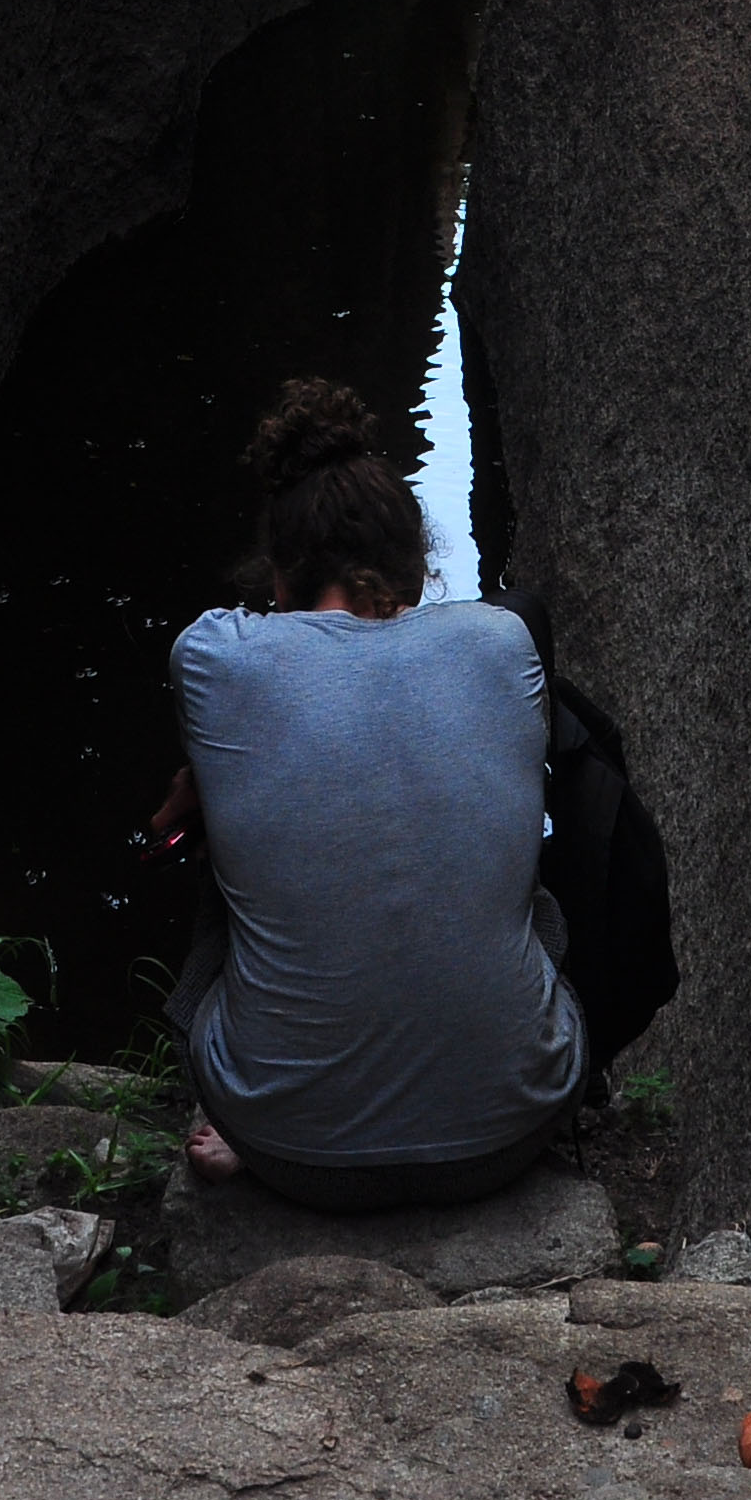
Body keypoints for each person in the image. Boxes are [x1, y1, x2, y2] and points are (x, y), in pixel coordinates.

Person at [146, 379, 584, 1211]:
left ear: (280, 576)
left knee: (229, 844)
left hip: (290, 1151)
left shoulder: (211, 659)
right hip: (506, 1137)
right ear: (418, 565)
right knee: (528, 892)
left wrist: (208, 780)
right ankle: (505, 1063)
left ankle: (246, 1093)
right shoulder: (504, 644)